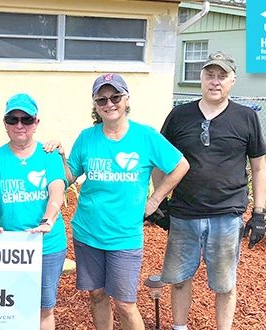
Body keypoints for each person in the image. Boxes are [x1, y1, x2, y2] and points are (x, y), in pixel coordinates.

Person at [44, 73, 189, 330]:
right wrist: (60, 155)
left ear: (126, 99)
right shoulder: (88, 137)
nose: (109, 104)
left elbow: (180, 165)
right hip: (87, 232)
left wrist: (155, 199)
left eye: (115, 97)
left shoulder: (145, 136)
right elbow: (68, 177)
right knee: (97, 295)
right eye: (102, 99)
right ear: (95, 105)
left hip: (124, 237)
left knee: (125, 304)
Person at [153, 51, 266, 330]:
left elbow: (259, 167)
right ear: (201, 78)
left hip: (227, 215)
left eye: (222, 76)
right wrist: (160, 201)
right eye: (209, 74)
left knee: (225, 285)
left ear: (233, 81)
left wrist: (260, 212)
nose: (215, 81)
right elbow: (158, 159)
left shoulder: (247, 118)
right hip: (183, 214)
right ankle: (180, 327)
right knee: (179, 279)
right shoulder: (179, 116)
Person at [0, 93, 67, 330]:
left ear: (36, 123)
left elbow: (57, 191)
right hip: (9, 247)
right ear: (5, 123)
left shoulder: (48, 155)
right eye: (13, 119)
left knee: (44, 308)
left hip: (47, 245)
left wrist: (48, 220)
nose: (19, 125)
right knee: (8, 307)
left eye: (26, 119)